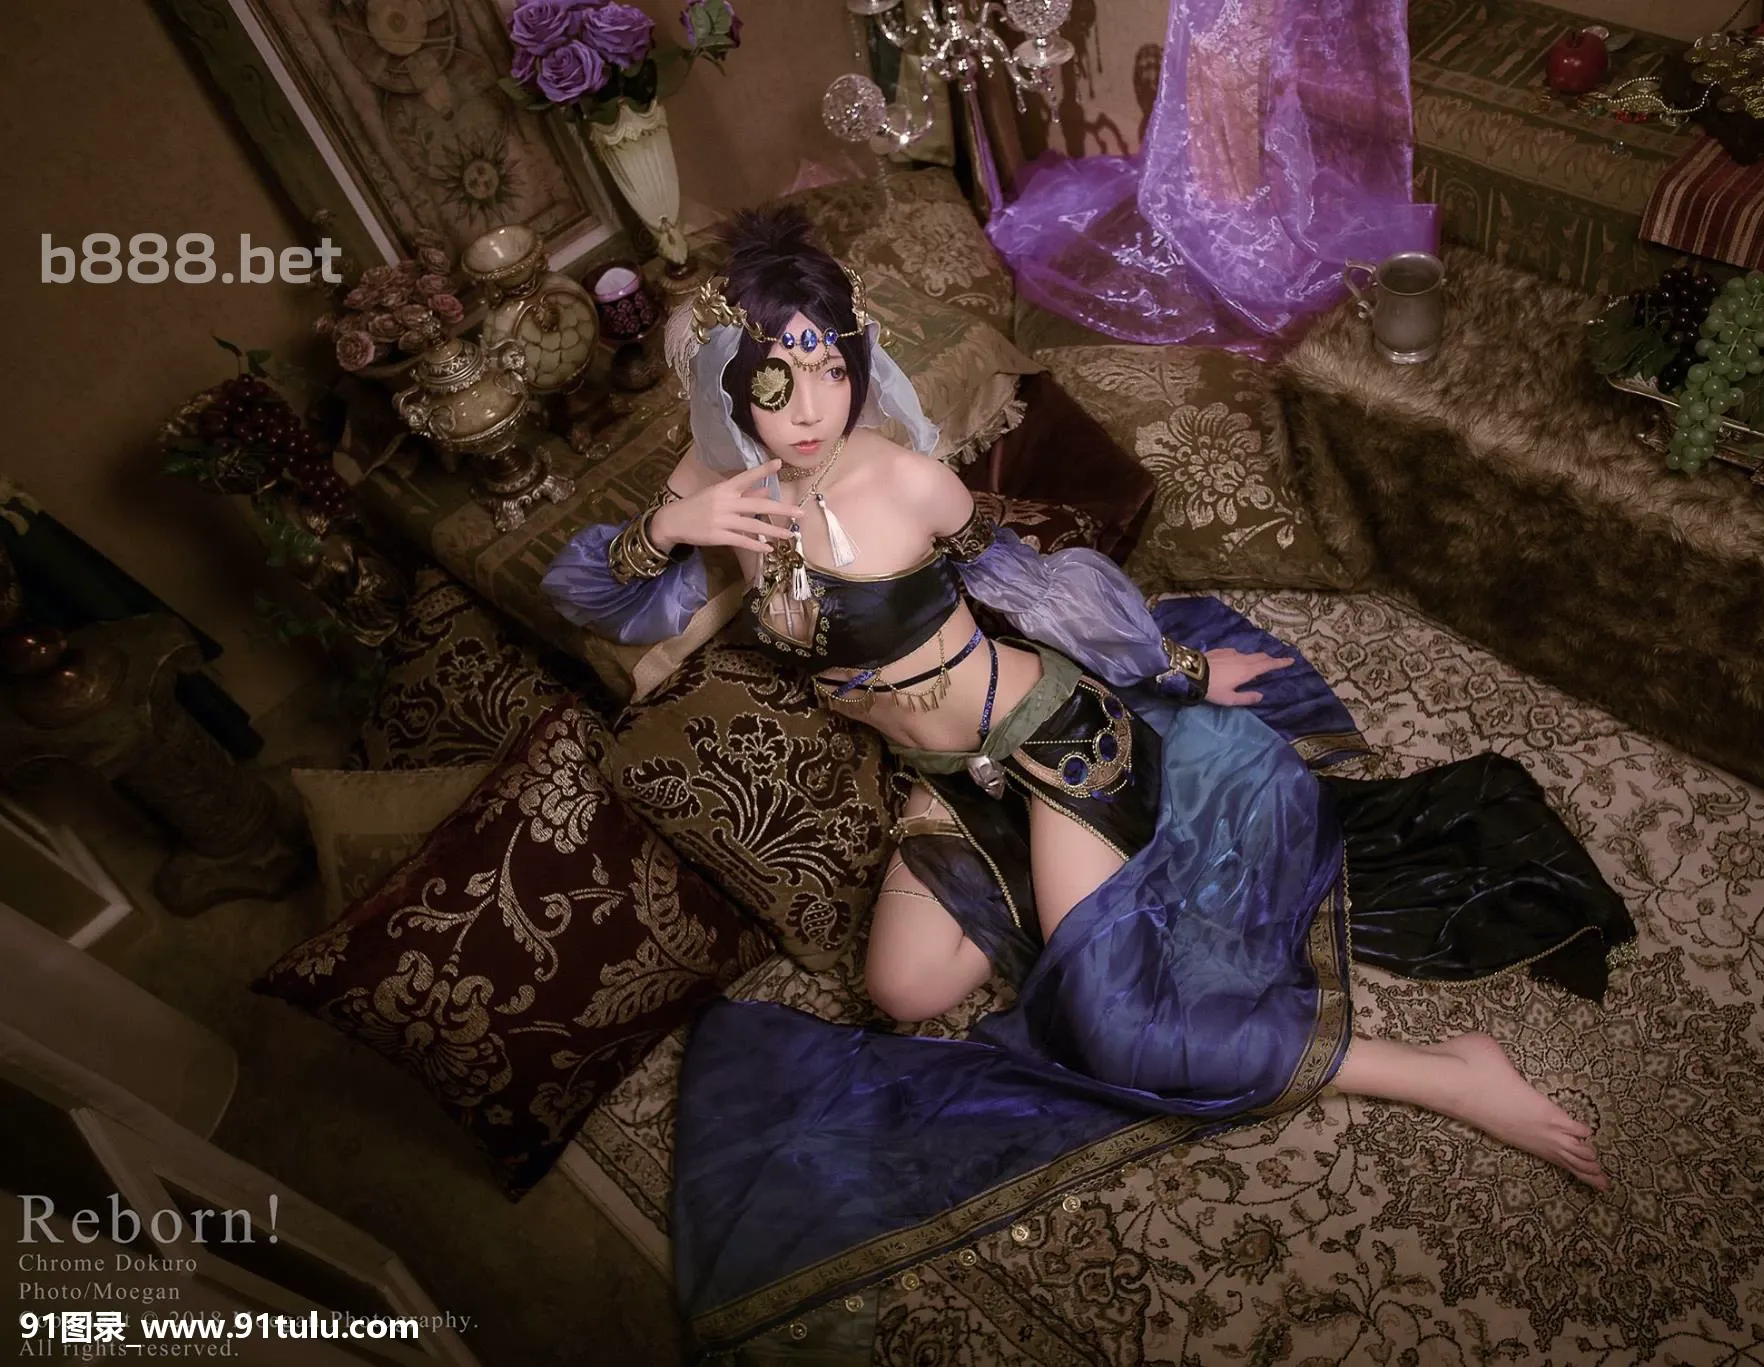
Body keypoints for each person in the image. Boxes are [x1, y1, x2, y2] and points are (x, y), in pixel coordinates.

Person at [543, 209, 1635, 1348]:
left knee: (1113, 1025)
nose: (812, 409)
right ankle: (1075, 897)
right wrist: (673, 522)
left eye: (832, 369)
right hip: (947, 779)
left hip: (1051, 734)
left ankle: (1445, 1071)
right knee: (902, 993)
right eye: (780, 379)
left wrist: (1181, 669)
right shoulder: (720, 483)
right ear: (736, 384)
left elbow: (1028, 585)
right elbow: (594, 597)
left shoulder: (903, 479)